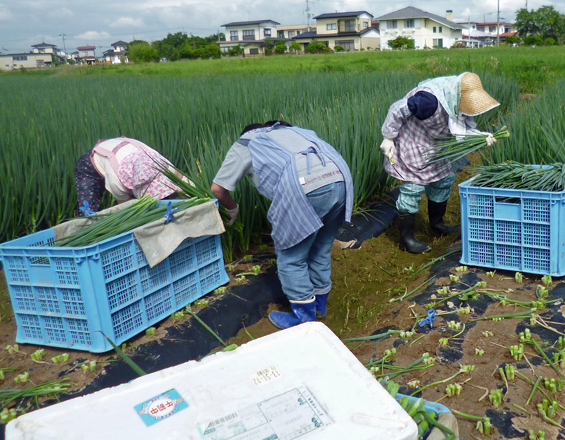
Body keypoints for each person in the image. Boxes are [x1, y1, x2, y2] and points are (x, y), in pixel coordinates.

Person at [211, 120, 353, 329]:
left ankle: (304, 317)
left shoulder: (246, 143)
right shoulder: (296, 131)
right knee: (320, 248)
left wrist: (232, 209)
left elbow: (218, 189)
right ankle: (320, 305)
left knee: (291, 257)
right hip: (341, 179)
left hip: (307, 188)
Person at [380, 72, 500, 254]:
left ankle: (437, 224)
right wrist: (388, 138)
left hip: (436, 147)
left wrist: (481, 137)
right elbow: (397, 109)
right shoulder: (428, 101)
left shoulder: (455, 101)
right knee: (413, 188)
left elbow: (460, 129)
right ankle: (407, 239)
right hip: (412, 143)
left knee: (444, 180)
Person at [74, 137, 181, 215]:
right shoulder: (116, 180)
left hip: (121, 148)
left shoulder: (163, 164)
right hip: (90, 166)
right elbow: (127, 207)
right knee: (88, 212)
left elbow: (181, 181)